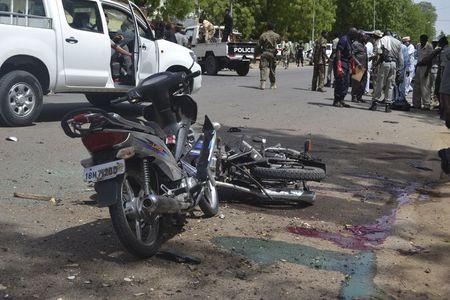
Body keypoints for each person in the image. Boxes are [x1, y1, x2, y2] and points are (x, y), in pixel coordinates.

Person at [369, 31, 404, 113]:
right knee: (390, 85)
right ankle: (388, 105)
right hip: (394, 64)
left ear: (385, 35)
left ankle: (375, 103)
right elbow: (400, 57)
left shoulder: (382, 40)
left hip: (385, 63)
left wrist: (375, 63)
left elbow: (378, 52)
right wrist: (399, 68)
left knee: (380, 83)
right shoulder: (398, 42)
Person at [333, 28, 358, 107]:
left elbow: (350, 55)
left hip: (346, 63)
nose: (355, 37)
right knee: (340, 82)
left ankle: (342, 100)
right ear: (351, 33)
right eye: (355, 35)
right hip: (341, 63)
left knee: (346, 83)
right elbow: (339, 51)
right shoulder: (344, 39)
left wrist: (354, 65)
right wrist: (339, 65)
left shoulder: (350, 41)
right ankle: (336, 100)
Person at [412, 34, 434, 110]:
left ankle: (426, 104)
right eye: (421, 40)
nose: (422, 41)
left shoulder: (429, 46)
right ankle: (416, 104)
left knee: (425, 87)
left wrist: (427, 71)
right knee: (416, 87)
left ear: (426, 40)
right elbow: (417, 57)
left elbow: (430, 60)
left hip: (425, 67)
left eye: (423, 40)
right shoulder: (418, 45)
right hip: (418, 67)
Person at [258, 22, 281, 90]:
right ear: (273, 28)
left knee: (263, 68)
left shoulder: (263, 35)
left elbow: (259, 44)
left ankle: (263, 84)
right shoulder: (276, 35)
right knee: (272, 69)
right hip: (273, 54)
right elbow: (279, 41)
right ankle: (273, 84)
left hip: (265, 53)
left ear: (267, 27)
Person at [350, 31, 368, 102]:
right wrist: (358, 63)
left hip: (364, 66)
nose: (366, 37)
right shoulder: (355, 44)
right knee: (356, 82)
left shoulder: (363, 44)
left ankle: (359, 97)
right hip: (358, 66)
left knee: (363, 83)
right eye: (364, 36)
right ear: (360, 37)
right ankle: (354, 97)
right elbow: (352, 55)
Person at [438, 37, 449, 118]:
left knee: (443, 92)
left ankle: (445, 112)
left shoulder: (446, 51)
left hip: (446, 71)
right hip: (445, 70)